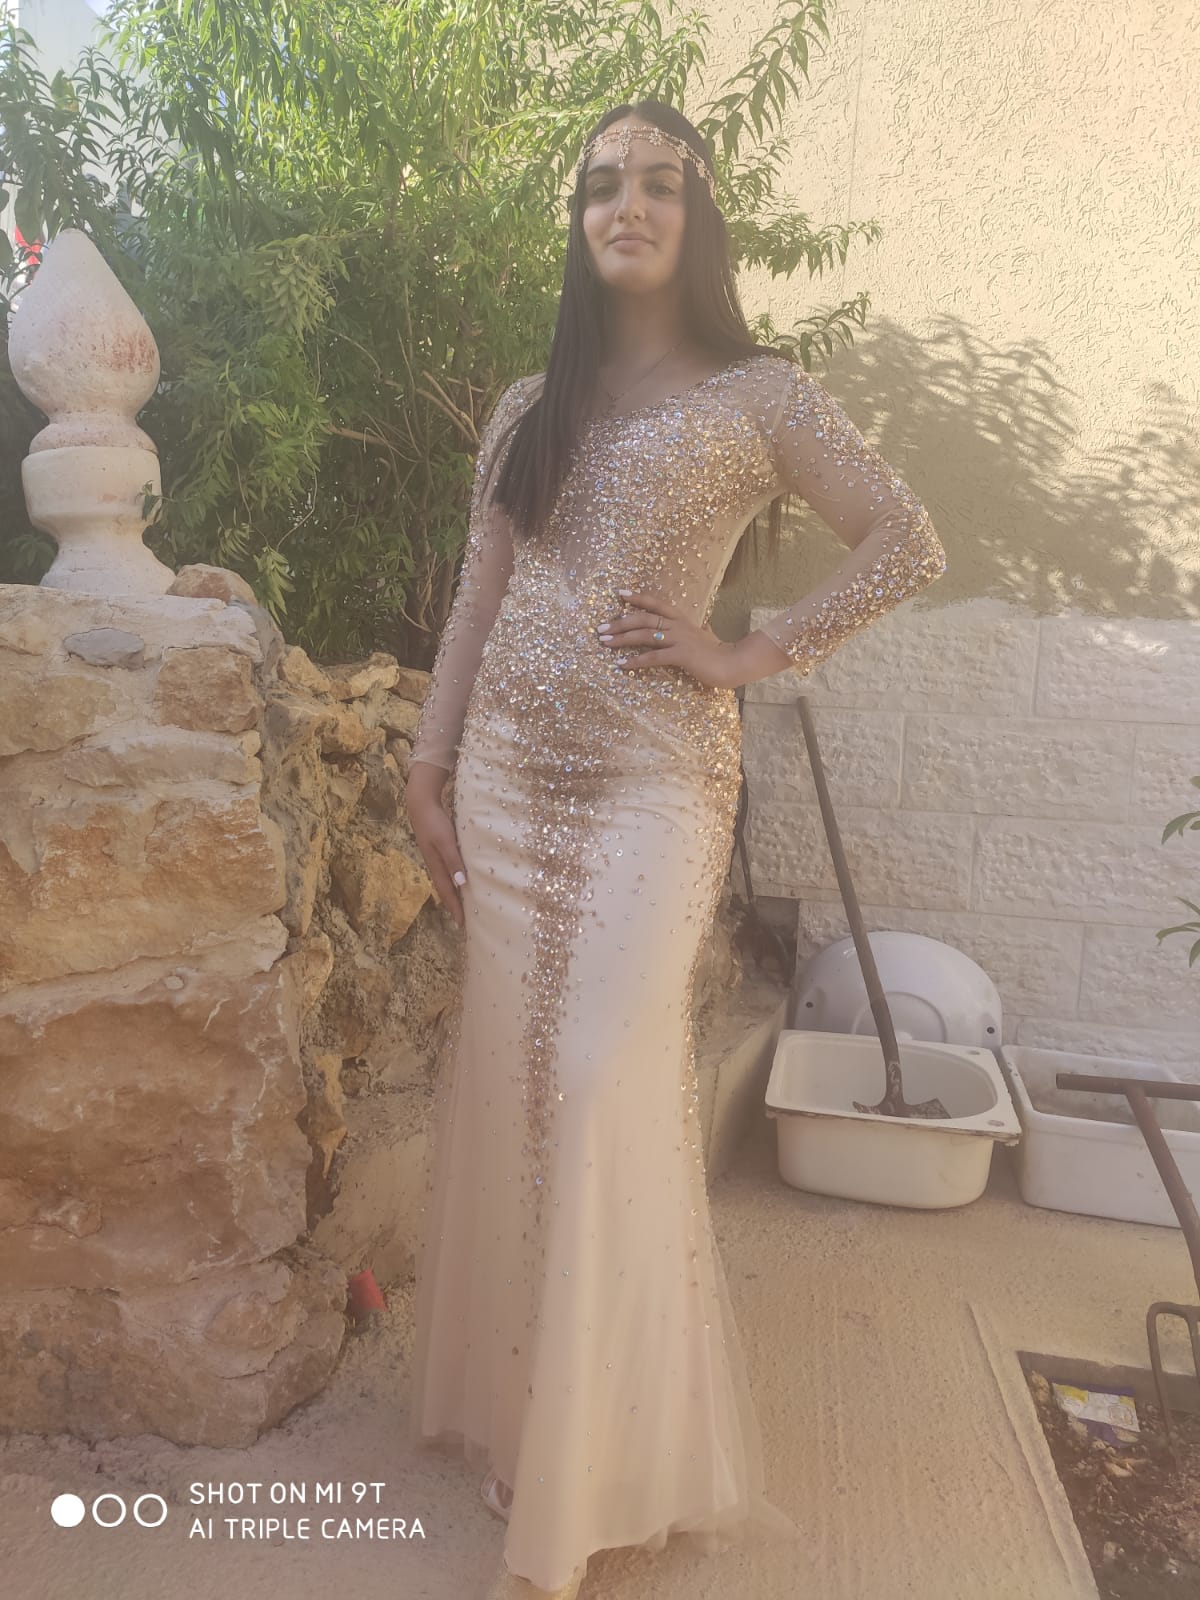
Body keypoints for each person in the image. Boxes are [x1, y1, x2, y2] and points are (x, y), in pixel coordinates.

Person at [404, 99, 947, 1600]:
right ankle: (542, 1428)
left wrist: (748, 650)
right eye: (600, 184)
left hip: (657, 780)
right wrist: (429, 762)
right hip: (506, 783)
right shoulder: (529, 403)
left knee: (602, 1081)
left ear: (699, 215)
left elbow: (907, 539)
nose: (625, 204)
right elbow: (478, 597)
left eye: (657, 182)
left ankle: (605, 1471)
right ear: (578, 217)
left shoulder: (764, 394)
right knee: (522, 1089)